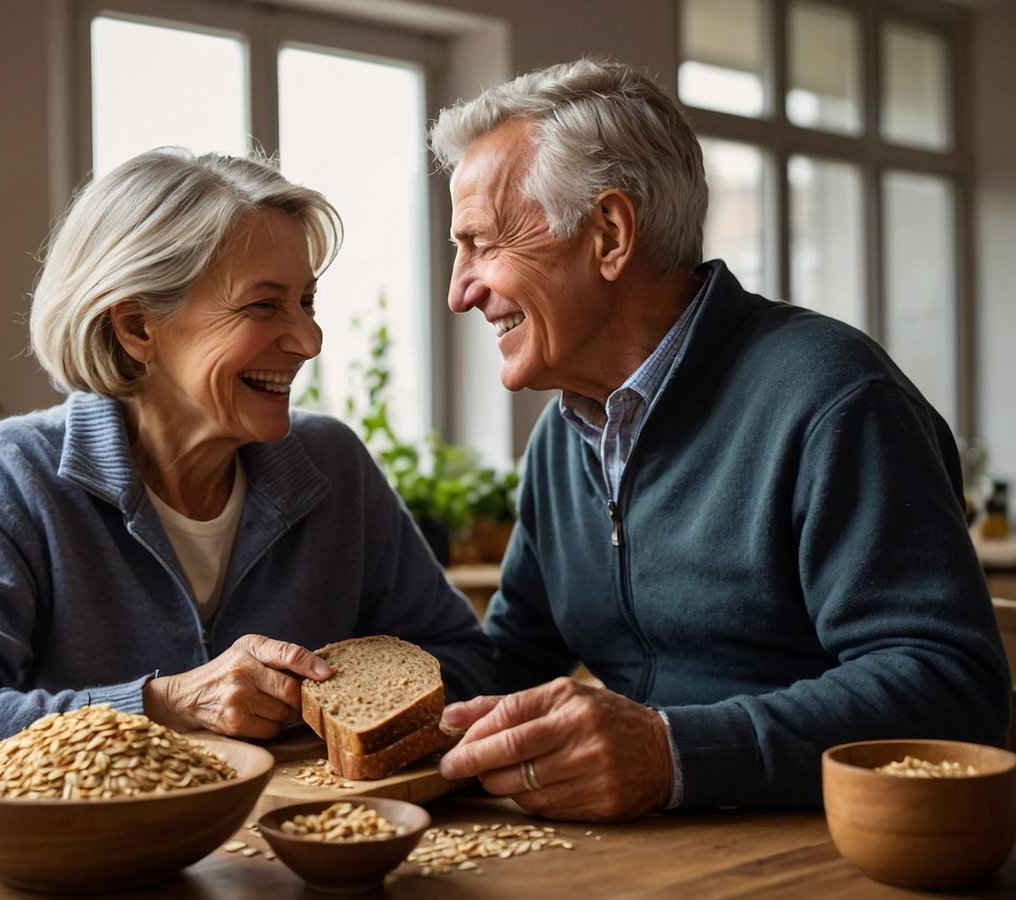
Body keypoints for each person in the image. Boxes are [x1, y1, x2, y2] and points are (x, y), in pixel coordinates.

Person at [427, 57, 1011, 821]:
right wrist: (327, 686)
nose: (458, 289)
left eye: (481, 244)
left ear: (609, 233)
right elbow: (509, 662)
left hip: (820, 857)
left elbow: (948, 686)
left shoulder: (833, 398)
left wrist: (673, 753)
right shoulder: (561, 437)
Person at [0, 148, 497, 783]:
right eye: (263, 305)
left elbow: (469, 662)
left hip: (289, 851)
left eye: (306, 301)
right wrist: (165, 703)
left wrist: (340, 701)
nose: (309, 340)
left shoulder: (333, 464)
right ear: (138, 327)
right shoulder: (14, 475)